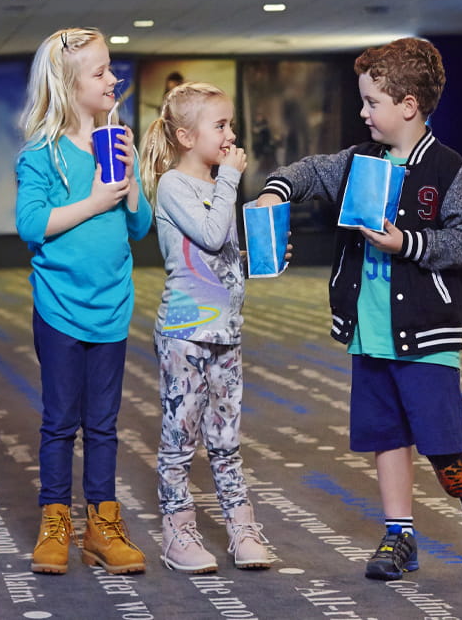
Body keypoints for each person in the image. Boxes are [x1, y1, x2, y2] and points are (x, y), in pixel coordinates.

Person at [255, 37, 462, 587]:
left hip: (427, 333)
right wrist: (276, 192)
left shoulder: (447, 169)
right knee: (386, 436)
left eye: (372, 102)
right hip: (369, 333)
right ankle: (400, 535)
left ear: (408, 105)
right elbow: (309, 172)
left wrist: (409, 244)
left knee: (442, 441)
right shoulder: (357, 161)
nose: (363, 112)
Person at [15, 27, 152, 577]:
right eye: (99, 72)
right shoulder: (42, 155)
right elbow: (30, 225)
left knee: (104, 424)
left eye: (110, 68)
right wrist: (96, 200)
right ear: (68, 86)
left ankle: (102, 525)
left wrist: (133, 182)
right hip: (60, 309)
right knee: (59, 422)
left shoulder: (117, 140)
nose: (112, 78)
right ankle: (56, 523)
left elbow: (139, 227)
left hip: (111, 307)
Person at [139, 81, 271, 574]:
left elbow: (222, 257)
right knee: (181, 435)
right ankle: (177, 529)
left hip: (226, 332)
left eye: (230, 124)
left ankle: (241, 525)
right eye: (221, 125)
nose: (231, 135)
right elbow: (211, 235)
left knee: (226, 435)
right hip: (185, 334)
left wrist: (259, 257)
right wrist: (232, 182)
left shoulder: (217, 187)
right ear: (185, 136)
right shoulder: (175, 185)